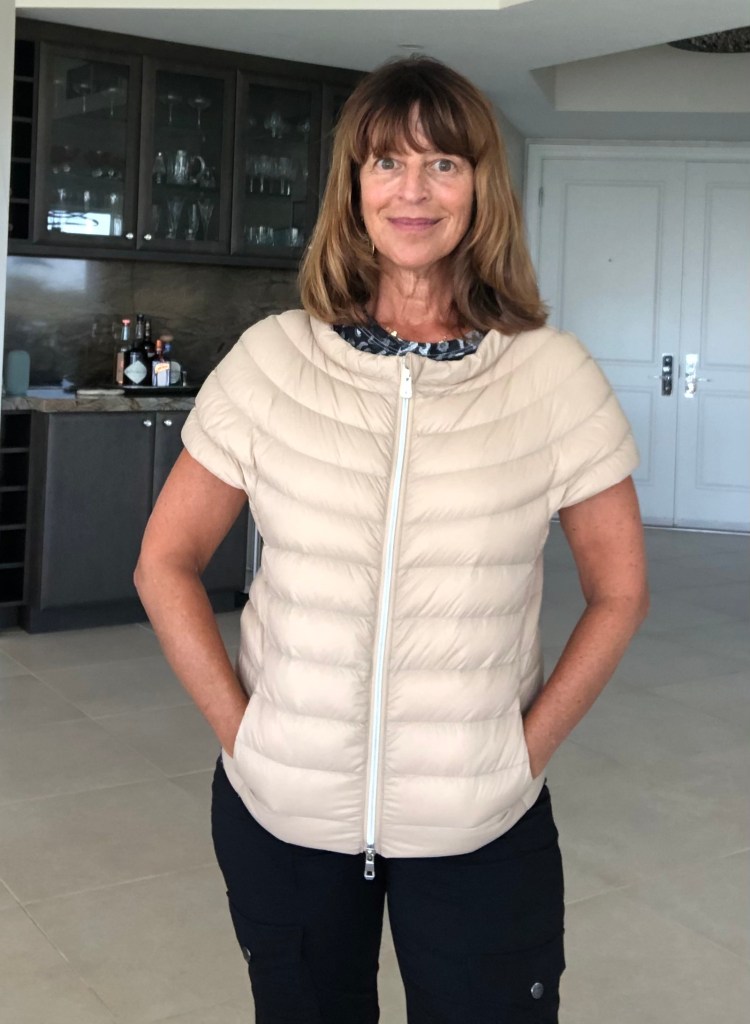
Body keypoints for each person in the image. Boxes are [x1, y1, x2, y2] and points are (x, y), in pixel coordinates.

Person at [134, 56, 649, 1024]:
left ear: (481, 190)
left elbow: (619, 591)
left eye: (444, 163)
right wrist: (246, 738)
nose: (414, 191)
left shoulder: (552, 376)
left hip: (479, 823)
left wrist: (520, 755)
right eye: (387, 163)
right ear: (353, 188)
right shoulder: (273, 359)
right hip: (283, 815)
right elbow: (165, 562)